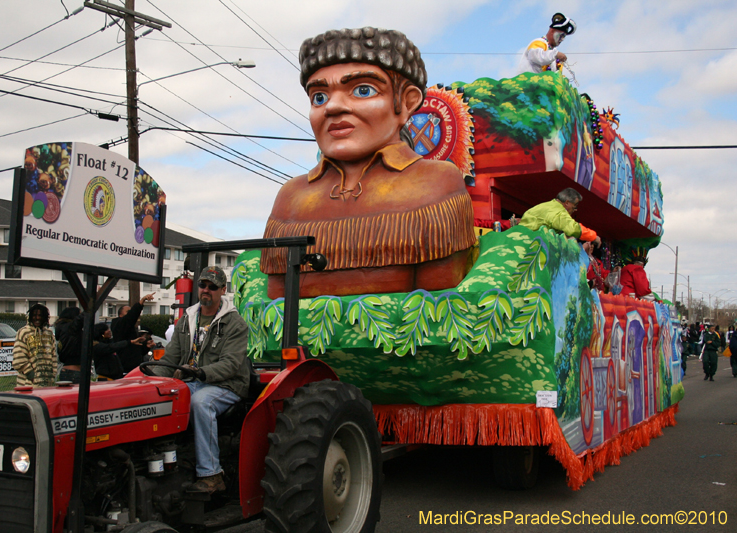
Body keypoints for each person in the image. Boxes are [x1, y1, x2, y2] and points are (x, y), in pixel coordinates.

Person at [260, 27, 476, 298]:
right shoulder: (291, 197)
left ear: (407, 102)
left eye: (363, 90)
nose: (332, 107)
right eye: (319, 97)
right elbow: (276, 304)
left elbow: (437, 308)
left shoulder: (434, 183)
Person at [155, 266, 250, 494]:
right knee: (161, 397)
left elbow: (230, 365)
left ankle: (212, 474)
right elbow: (171, 358)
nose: (206, 290)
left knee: (200, 401)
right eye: (203, 285)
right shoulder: (187, 319)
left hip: (226, 384)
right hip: (194, 380)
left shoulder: (235, 324)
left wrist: (198, 372)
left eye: (212, 286)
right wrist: (148, 380)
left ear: (222, 290)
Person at [519, 188, 601, 247]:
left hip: (517, 241)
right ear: (567, 203)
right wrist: (593, 236)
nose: (575, 210)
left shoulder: (542, 206)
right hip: (528, 247)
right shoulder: (559, 212)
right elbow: (573, 228)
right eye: (574, 206)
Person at [12, 304, 56, 388]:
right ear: (30, 317)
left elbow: (53, 356)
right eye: (34, 315)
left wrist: (52, 374)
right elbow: (19, 358)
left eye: (40, 315)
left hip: (47, 384)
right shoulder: (24, 332)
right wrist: (31, 375)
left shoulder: (49, 334)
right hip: (27, 385)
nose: (37, 318)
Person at [111, 292, 155, 373]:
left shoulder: (130, 329)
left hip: (135, 368)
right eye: (128, 311)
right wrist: (141, 302)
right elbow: (130, 317)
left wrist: (146, 347)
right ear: (120, 315)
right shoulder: (119, 325)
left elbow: (135, 351)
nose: (130, 313)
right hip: (125, 368)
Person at [55, 306, 84, 383]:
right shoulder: (70, 329)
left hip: (70, 371)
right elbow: (79, 320)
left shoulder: (65, 330)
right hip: (73, 372)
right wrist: (89, 309)